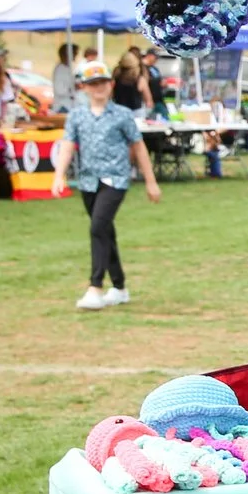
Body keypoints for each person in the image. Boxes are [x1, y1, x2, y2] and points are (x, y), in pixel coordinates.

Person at [51, 57, 160, 310]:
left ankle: (95, 286)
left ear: (111, 85)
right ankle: (120, 287)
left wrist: (150, 182)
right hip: (88, 180)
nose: (98, 88)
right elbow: (68, 146)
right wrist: (59, 175)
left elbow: (139, 147)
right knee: (105, 232)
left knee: (97, 227)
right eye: (92, 83)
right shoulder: (77, 116)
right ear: (84, 87)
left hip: (116, 178)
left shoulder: (122, 115)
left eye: (102, 82)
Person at [49, 42, 78, 117]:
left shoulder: (68, 68)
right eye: (75, 53)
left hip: (69, 105)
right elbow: (60, 90)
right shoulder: (60, 70)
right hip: (63, 106)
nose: (76, 55)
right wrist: (74, 87)